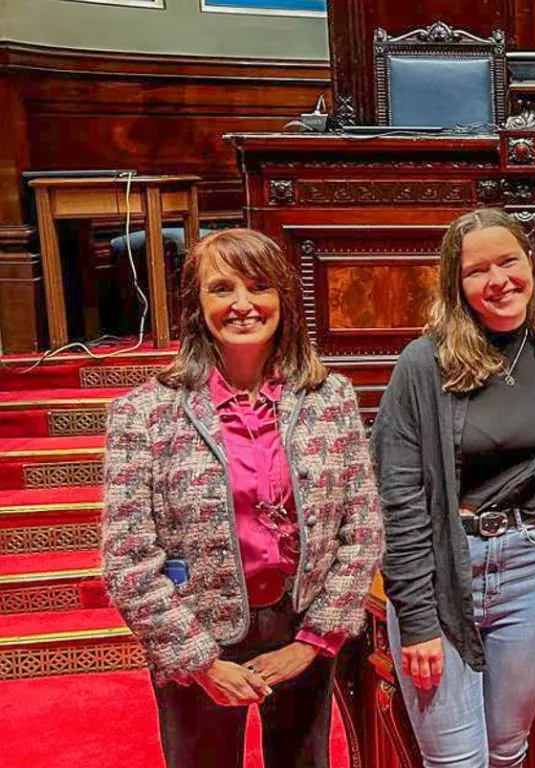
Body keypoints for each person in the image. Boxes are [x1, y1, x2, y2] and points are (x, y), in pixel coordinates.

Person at [99, 228, 384, 768]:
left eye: (258, 286)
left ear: (283, 297)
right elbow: (127, 559)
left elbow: (363, 529)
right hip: (196, 630)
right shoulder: (142, 413)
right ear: (196, 304)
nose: (243, 304)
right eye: (221, 288)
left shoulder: (331, 398)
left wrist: (314, 641)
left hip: (301, 626)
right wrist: (200, 662)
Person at [374, 208, 535, 768]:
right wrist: (414, 617)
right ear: (456, 284)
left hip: (528, 566)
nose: (499, 280)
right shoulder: (424, 363)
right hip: (443, 571)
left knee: (509, 750)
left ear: (530, 264)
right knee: (457, 761)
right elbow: (399, 499)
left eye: (509, 261)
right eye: (477, 270)